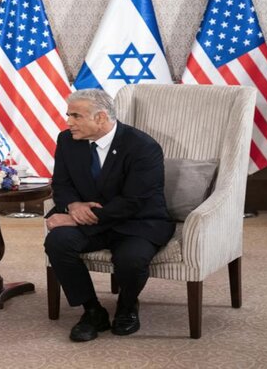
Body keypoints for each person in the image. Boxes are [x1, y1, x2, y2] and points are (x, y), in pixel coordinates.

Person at [44, 88, 174, 342]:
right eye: (68, 115)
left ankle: (127, 307)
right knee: (57, 243)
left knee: (131, 259)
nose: (68, 122)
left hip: (136, 222)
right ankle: (92, 311)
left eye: (76, 116)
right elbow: (61, 184)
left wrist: (74, 218)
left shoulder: (143, 147)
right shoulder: (67, 140)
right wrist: (72, 206)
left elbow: (134, 201)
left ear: (101, 118)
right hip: (92, 223)